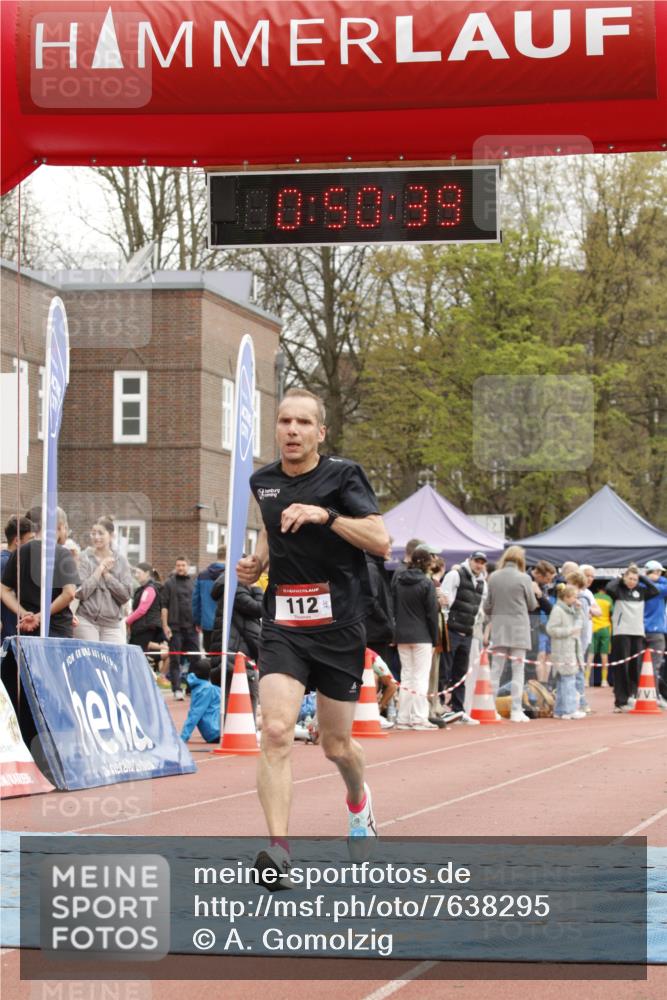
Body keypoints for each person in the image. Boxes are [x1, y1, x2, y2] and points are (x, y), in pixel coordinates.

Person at [236, 387, 389, 887]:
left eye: (304, 423)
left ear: (320, 432)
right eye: (285, 422)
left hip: (340, 625)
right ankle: (278, 851)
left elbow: (380, 540)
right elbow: (269, 530)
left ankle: (358, 801)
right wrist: (256, 561)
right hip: (284, 623)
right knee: (277, 731)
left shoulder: (343, 476)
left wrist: (326, 515)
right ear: (276, 428)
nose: (293, 431)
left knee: (336, 744)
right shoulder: (263, 481)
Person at [484, 545, 538, 723]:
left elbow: (487, 606)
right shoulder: (524, 578)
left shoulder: (493, 577)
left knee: (496, 669)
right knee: (518, 669)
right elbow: (531, 604)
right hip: (519, 627)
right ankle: (516, 710)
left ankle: (490, 708)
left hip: (499, 626)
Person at [393, 547, 440, 730]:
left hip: (402, 634)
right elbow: (431, 614)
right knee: (420, 677)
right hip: (422, 635)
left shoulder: (398, 580)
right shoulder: (426, 583)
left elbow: (394, 607)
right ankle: (419, 717)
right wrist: (435, 639)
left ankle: (404, 717)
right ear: (427, 563)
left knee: (407, 676)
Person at [440, 551, 488, 725]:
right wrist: (444, 628)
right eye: (477, 561)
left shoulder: (482, 583)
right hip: (451, 631)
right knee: (444, 671)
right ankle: (437, 708)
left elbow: (479, 608)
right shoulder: (455, 575)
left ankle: (459, 710)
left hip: (467, 633)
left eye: (482, 562)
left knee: (460, 674)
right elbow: (445, 601)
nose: (479, 564)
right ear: (470, 560)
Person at [209, 565, 263, 716]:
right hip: (237, 649)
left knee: (236, 695)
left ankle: (236, 732)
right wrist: (257, 588)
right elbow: (259, 608)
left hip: (235, 647)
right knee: (246, 693)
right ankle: (239, 733)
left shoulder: (231, 586)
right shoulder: (234, 588)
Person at [606, 565, 659, 712]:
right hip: (621, 633)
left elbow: (655, 590)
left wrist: (642, 577)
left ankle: (631, 695)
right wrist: (620, 577)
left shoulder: (641, 591)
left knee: (635, 667)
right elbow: (609, 587)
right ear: (624, 578)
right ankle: (620, 701)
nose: (632, 581)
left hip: (638, 633)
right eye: (629, 578)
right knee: (621, 666)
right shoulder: (618, 590)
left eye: (635, 579)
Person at [74, 517, 133, 643]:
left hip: (112, 625)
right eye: (93, 533)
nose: (96, 537)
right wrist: (99, 570)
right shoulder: (84, 557)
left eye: (101, 533)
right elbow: (81, 592)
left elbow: (126, 595)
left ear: (111, 536)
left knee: (113, 661)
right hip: (86, 620)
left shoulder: (121, 561)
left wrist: (107, 576)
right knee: (90, 661)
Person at [161, 556, 199, 701]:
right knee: (175, 659)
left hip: (192, 627)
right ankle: (176, 689)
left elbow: (197, 603)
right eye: (178, 565)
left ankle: (190, 688)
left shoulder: (193, 583)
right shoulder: (169, 583)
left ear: (188, 566)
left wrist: (199, 622)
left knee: (196, 658)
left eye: (183, 565)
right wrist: (165, 625)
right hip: (175, 627)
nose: (180, 568)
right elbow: (164, 605)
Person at [547, 584, 587, 720]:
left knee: (564, 681)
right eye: (574, 596)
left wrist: (578, 610)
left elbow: (580, 622)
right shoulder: (558, 610)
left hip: (570, 649)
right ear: (566, 597)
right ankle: (569, 710)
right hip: (562, 650)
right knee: (568, 680)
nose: (576, 599)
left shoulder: (569, 610)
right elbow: (551, 629)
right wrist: (568, 631)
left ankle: (559, 710)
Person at [126, 563, 168, 673]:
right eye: (135, 572)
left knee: (138, 658)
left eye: (139, 573)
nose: (136, 575)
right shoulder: (143, 589)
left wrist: (127, 621)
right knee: (137, 657)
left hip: (144, 627)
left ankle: (147, 678)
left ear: (147, 574)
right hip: (141, 627)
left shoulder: (150, 589)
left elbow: (142, 610)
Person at [1, 516, 34, 640]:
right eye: (30, 539)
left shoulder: (19, 563)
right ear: (17, 541)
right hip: (7, 633)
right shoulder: (4, 563)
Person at [364, 539, 395, 670]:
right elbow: (371, 600)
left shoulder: (376, 566)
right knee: (377, 678)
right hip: (375, 635)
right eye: (388, 546)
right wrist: (387, 625)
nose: (391, 550)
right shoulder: (371, 567)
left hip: (377, 633)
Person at [192, 544, 227, 653]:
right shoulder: (232, 575)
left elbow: (195, 601)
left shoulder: (202, 575)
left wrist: (197, 621)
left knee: (210, 657)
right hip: (227, 625)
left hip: (208, 624)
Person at [180, 657, 221, 744]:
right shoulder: (206, 689)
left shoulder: (204, 687)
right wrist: (183, 737)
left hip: (214, 730)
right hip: (215, 732)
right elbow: (195, 714)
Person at [642, 561, 667, 704]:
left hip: (642, 630)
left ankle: (647, 694)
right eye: (658, 572)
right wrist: (656, 578)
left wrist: (648, 578)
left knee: (646, 666)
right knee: (655, 665)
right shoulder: (658, 588)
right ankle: (655, 696)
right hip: (654, 630)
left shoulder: (641, 586)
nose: (660, 575)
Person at [590, 582, 614, 686]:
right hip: (605, 628)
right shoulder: (609, 599)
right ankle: (604, 680)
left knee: (590, 655)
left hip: (593, 627)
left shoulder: (592, 597)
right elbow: (612, 612)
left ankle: (586, 680)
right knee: (604, 655)